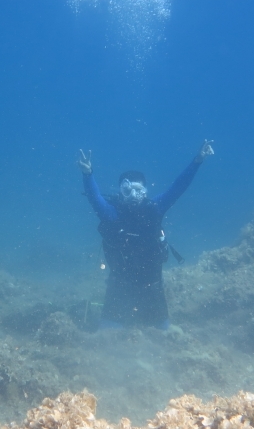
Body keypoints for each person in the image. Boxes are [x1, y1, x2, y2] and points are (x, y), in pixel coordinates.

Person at [77, 140, 214, 329]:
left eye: (139, 190)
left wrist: (197, 161)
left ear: (145, 191)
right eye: (128, 190)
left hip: (152, 284)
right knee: (108, 334)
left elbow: (178, 188)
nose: (134, 195)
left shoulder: (154, 209)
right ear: (121, 192)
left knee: (163, 334)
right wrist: (87, 174)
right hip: (119, 284)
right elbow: (95, 198)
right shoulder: (112, 214)